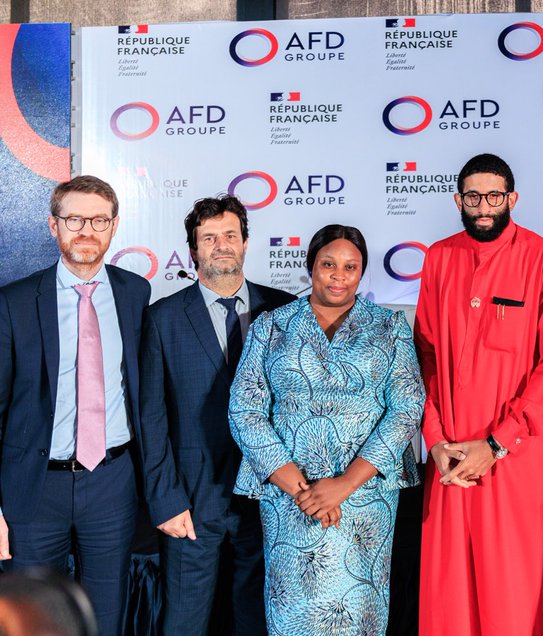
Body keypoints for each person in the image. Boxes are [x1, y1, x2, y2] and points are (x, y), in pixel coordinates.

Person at [229, 225, 423, 635]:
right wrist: (305, 491)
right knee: (293, 614)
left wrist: (343, 485)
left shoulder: (389, 327)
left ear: (362, 273)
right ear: (310, 267)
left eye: (351, 267)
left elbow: (407, 408)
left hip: (365, 499)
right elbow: (245, 409)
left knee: (359, 614)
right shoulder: (272, 326)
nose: (339, 275)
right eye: (329, 264)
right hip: (288, 499)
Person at [416, 153, 543, 636]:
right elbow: (423, 356)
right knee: (447, 594)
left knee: (511, 592)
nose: (483, 207)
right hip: (447, 459)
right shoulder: (438, 258)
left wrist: (494, 445)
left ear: (512, 198)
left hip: (513, 459)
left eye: (493, 196)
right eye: (472, 197)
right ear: (458, 200)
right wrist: (435, 440)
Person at [0, 176, 154, 636]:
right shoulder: (14, 303)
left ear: (114, 225)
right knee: (33, 618)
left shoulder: (135, 293)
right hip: (33, 488)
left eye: (99, 220)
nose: (87, 230)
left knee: (106, 617)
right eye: (74, 219)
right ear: (53, 225)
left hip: (112, 483)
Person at [138, 195, 294, 634]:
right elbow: (150, 419)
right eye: (209, 238)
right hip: (191, 497)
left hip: (269, 493)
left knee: (260, 618)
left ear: (245, 242)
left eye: (229, 235)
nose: (221, 245)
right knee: (184, 621)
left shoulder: (284, 311)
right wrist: (166, 500)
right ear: (193, 251)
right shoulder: (162, 319)